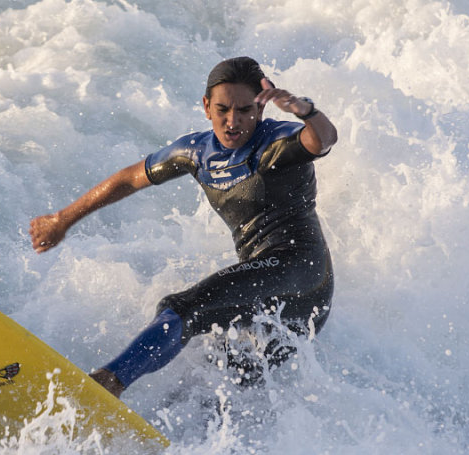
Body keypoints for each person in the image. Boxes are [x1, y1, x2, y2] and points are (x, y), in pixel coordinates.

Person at [29, 57, 337, 398]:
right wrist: (62, 220)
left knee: (184, 307)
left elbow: (322, 140)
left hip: (303, 281)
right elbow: (129, 179)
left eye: (245, 110)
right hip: (263, 291)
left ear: (260, 110)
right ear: (206, 107)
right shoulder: (196, 152)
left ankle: (106, 384)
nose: (233, 121)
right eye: (222, 109)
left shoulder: (276, 144)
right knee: (219, 385)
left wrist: (304, 110)